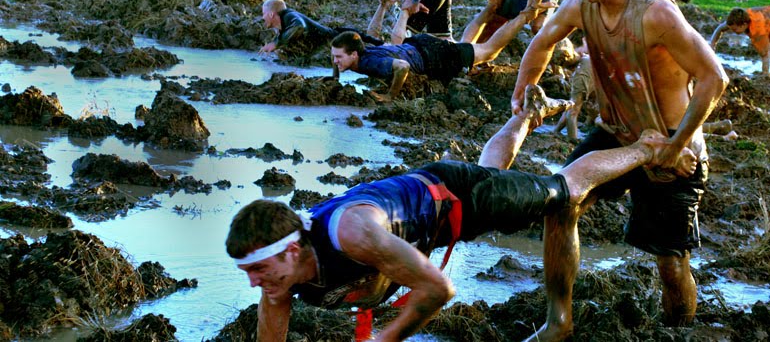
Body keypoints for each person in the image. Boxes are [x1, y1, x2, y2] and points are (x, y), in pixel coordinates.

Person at [226, 81, 696, 342]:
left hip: (459, 196)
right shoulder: (279, 283)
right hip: (434, 202)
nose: (254, 282)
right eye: (248, 271)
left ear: (291, 249)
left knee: (565, 190)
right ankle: (527, 117)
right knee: (493, 167)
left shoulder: (352, 234)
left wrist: (383, 341)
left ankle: (645, 146)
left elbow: (438, 287)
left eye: (259, 268)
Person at [508, 0, 728, 341]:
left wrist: (677, 141)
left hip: (671, 146)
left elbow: (713, 78)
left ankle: (676, 332)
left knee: (670, 262)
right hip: (615, 133)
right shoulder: (578, 5)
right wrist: (526, 86)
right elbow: (542, 41)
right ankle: (559, 321)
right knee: (560, 203)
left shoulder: (656, 12)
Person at [330, 0, 548, 102]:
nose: (335, 61)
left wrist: (390, 95)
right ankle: (490, 8)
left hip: (434, 57)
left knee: (488, 51)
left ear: (354, 55)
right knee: (467, 44)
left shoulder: (368, 63)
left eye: (339, 58)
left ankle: (524, 16)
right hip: (420, 45)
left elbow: (402, 67)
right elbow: (358, 42)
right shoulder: (357, 50)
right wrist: (334, 76)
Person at [259, 0, 383, 55]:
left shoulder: (289, 16)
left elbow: (299, 27)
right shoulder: (284, 23)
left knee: (375, 49)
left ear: (271, 14)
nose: (262, 17)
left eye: (263, 14)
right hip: (334, 38)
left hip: (337, 40)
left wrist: (276, 44)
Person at [710, 6, 770, 74]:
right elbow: (720, 28)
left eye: (734, 29)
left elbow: (765, 55)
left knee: (764, 52)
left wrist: (765, 74)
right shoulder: (741, 16)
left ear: (743, 25)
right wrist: (712, 45)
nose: (733, 31)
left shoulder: (757, 30)